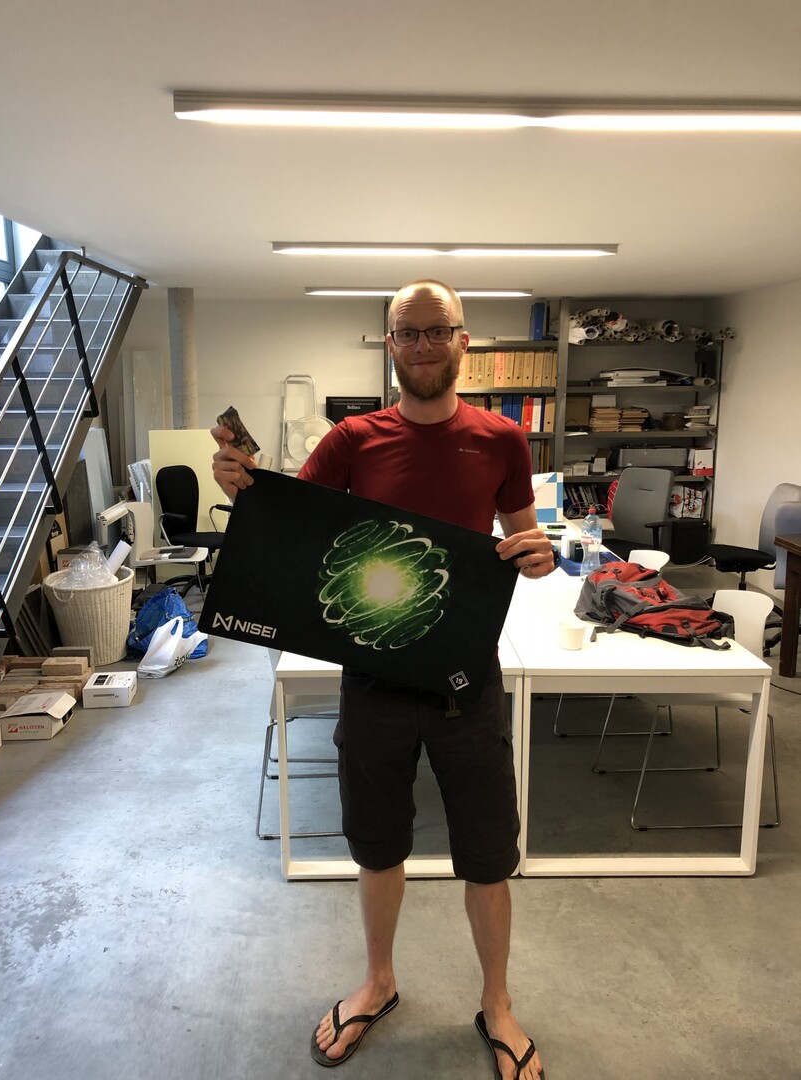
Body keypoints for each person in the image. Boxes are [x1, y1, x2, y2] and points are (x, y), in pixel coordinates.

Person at [211, 280, 553, 1080]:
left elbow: (524, 537)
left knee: (488, 853)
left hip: (467, 679)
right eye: (409, 333)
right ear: (390, 344)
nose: (424, 346)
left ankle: (498, 1004)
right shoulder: (352, 440)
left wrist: (538, 555)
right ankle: (378, 981)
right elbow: (294, 518)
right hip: (374, 676)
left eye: (438, 331)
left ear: (464, 340)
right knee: (377, 844)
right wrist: (244, 486)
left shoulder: (502, 439)